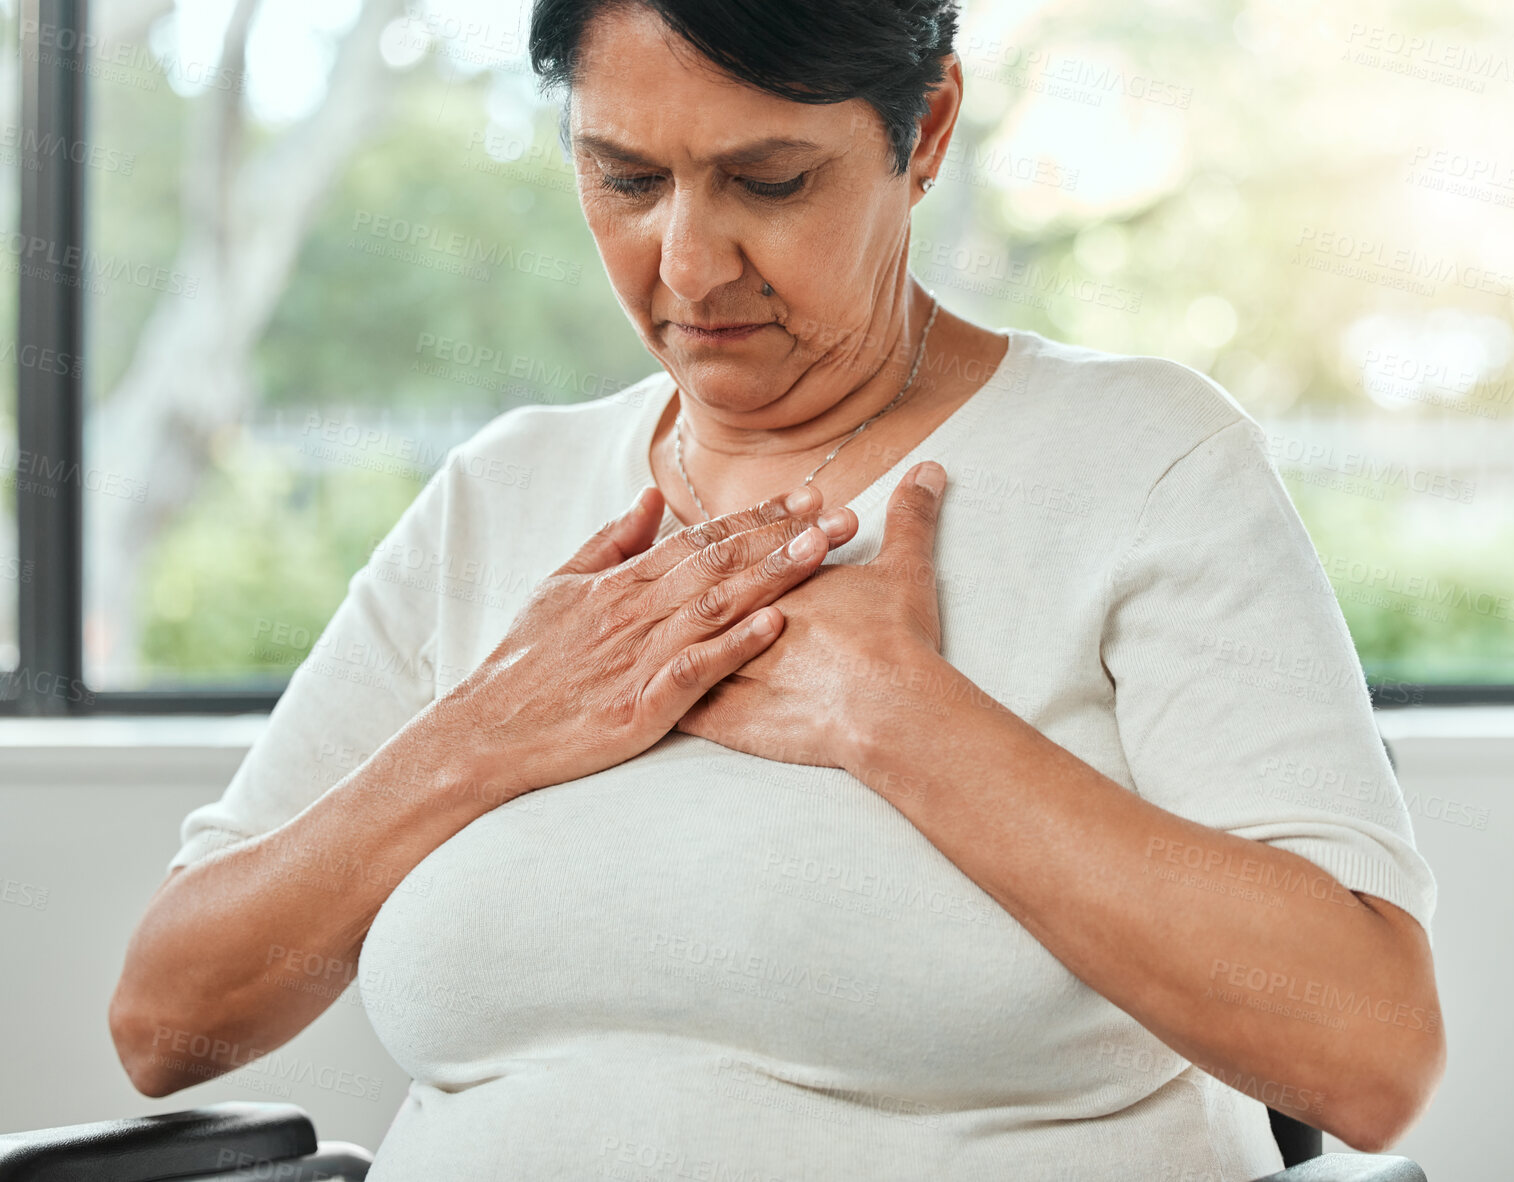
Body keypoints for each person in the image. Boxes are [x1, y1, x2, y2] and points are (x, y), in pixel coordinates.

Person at [108, 1, 1444, 1178]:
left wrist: (903, 719)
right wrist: (487, 735)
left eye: (770, 180)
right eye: (627, 179)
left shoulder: (1144, 460)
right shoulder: (500, 495)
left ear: (923, 131)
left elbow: (1368, 1053)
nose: (687, 267)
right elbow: (170, 1022)